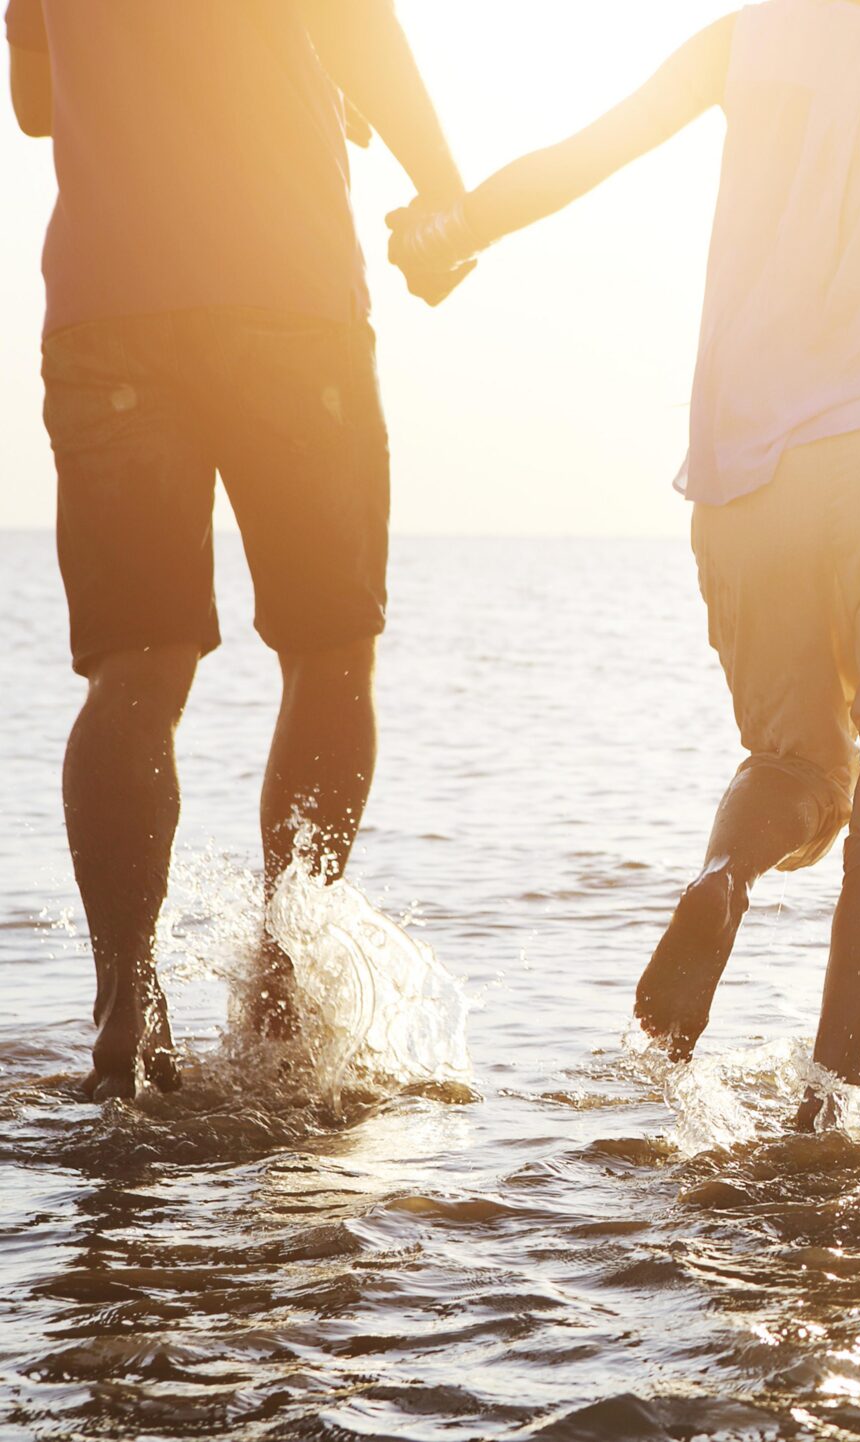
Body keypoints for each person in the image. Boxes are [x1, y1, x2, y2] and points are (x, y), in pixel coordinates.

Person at [387, 0, 860, 1127]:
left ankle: (723, 879)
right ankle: (826, 1106)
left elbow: (591, 152)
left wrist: (455, 226)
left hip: (752, 477)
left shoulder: (746, 36)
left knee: (793, 766)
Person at [8, 0, 469, 1102]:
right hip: (286, 291)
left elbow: (33, 104)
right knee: (327, 648)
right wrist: (441, 185)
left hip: (107, 307)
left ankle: (126, 996)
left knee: (138, 666)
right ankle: (277, 969)